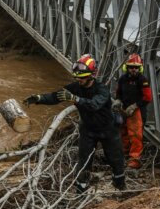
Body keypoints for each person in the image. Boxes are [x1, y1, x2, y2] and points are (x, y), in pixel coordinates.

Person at [24, 54, 126, 193]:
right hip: (88, 130)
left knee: (115, 159)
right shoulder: (76, 87)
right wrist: (39, 98)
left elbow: (94, 105)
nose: (79, 80)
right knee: (84, 162)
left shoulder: (102, 89)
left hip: (108, 129)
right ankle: (81, 190)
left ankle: (120, 187)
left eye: (82, 77)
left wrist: (75, 99)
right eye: (77, 77)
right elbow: (56, 96)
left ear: (91, 75)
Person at [113, 53, 153, 169]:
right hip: (124, 109)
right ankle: (124, 154)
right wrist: (118, 100)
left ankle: (135, 160)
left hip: (137, 111)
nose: (134, 69)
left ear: (140, 68)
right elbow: (118, 93)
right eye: (131, 67)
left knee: (135, 136)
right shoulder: (123, 79)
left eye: (136, 67)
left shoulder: (142, 80)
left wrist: (135, 106)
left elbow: (147, 97)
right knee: (123, 132)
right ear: (127, 67)